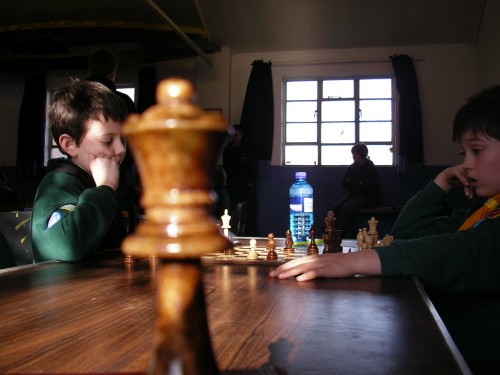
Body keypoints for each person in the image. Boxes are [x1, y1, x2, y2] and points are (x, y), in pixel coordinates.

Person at [270, 85, 500, 373]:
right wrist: (441, 180)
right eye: (462, 153)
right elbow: (406, 233)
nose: (465, 164)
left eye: (476, 151)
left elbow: (467, 250)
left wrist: (355, 259)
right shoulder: (483, 211)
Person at [31, 79, 138, 262]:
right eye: (107, 141)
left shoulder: (118, 196)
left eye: (123, 139)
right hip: (65, 290)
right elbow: (67, 246)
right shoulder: (57, 186)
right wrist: (105, 188)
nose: (121, 149)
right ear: (69, 144)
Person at [87, 48, 140, 210]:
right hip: (120, 174)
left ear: (89, 69)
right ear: (113, 72)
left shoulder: (75, 100)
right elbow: (133, 143)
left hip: (83, 175)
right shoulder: (123, 102)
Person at [331, 143, 380, 236]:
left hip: (369, 197)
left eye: (355, 154)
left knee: (348, 206)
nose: (353, 156)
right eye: (353, 154)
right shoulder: (352, 167)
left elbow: (368, 186)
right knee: (336, 207)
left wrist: (355, 183)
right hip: (354, 195)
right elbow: (345, 183)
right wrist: (358, 183)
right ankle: (331, 230)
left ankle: (340, 234)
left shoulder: (370, 167)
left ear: (362, 154)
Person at [222, 124, 258, 234]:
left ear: (241, 135)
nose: (234, 138)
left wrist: (249, 183)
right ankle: (232, 235)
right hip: (232, 186)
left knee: (247, 215)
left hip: (246, 187)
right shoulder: (227, 150)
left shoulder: (248, 150)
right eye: (232, 136)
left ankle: (248, 235)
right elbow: (227, 168)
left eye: (236, 135)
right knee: (231, 214)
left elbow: (253, 168)